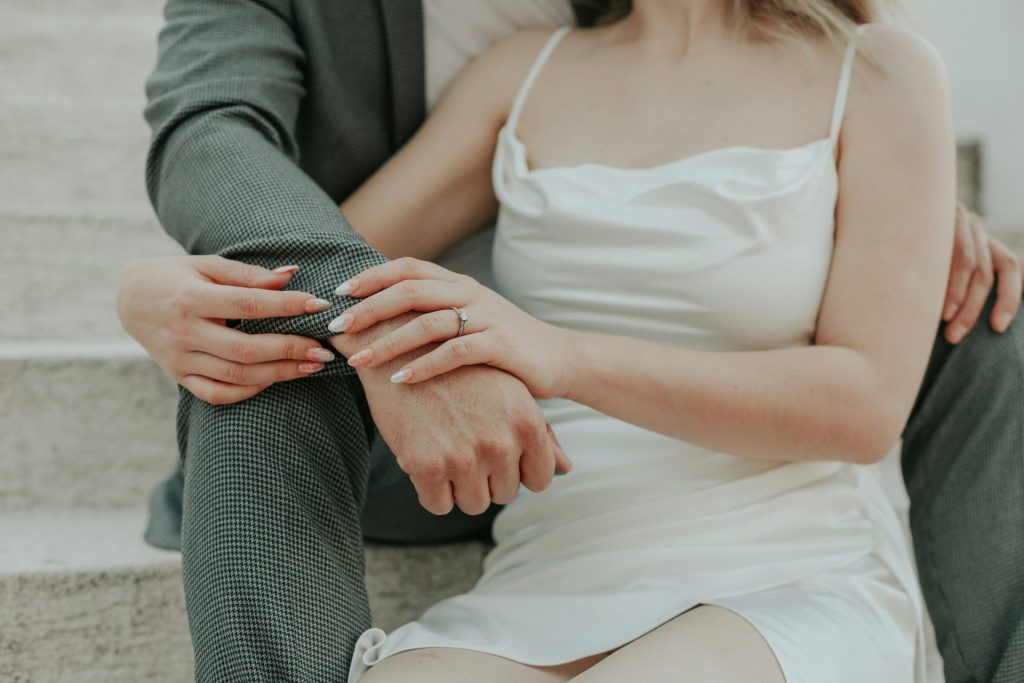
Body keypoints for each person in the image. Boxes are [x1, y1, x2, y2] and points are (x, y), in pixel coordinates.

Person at [116, 1, 1023, 681]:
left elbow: (863, 406)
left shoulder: (882, 68)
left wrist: (553, 353)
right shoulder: (526, 66)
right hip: (549, 560)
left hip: (775, 563)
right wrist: (152, 289)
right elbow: (325, 275)